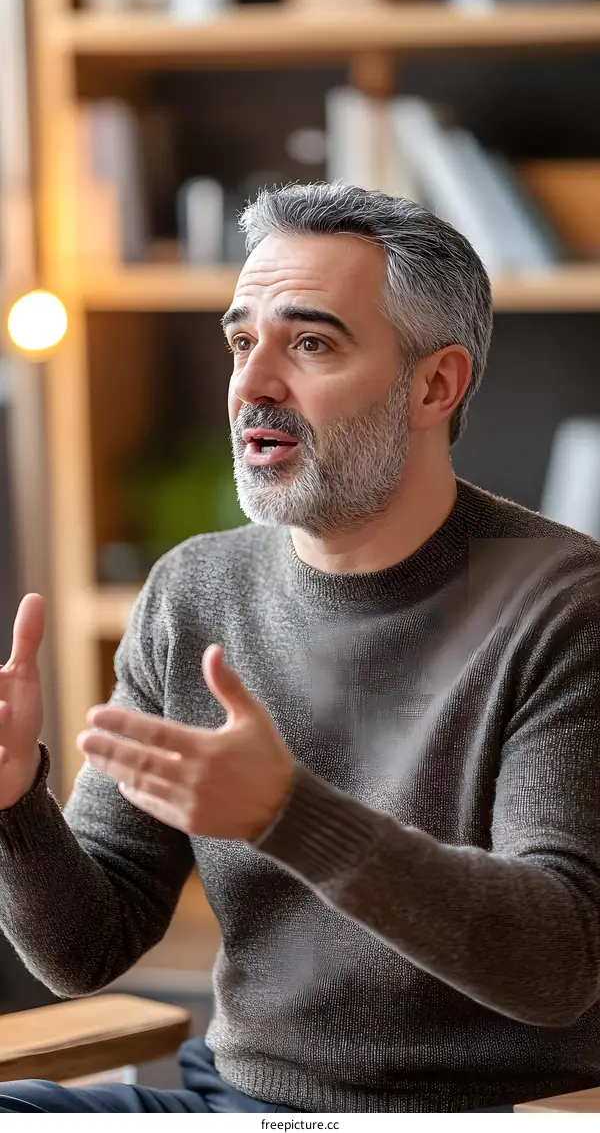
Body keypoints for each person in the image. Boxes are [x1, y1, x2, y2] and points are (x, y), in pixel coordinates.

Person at [0, 182, 600, 1115]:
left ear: (434, 385)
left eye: (310, 342)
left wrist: (288, 814)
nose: (252, 385)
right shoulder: (194, 590)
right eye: (243, 341)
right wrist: (13, 804)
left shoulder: (565, 607)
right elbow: (85, 947)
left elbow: (558, 958)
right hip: (235, 1101)